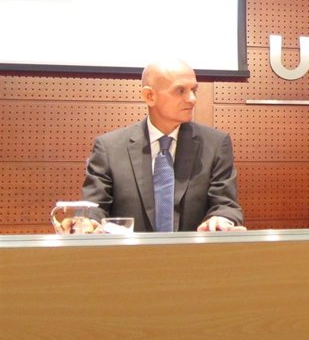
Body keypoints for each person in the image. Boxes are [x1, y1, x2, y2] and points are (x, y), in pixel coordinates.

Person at [69, 58, 245, 233]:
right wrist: (87, 222)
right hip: (130, 250)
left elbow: (225, 204)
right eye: (180, 91)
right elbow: (93, 206)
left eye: (194, 90)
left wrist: (221, 218)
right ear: (149, 96)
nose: (192, 99)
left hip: (192, 250)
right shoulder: (109, 148)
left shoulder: (215, 144)